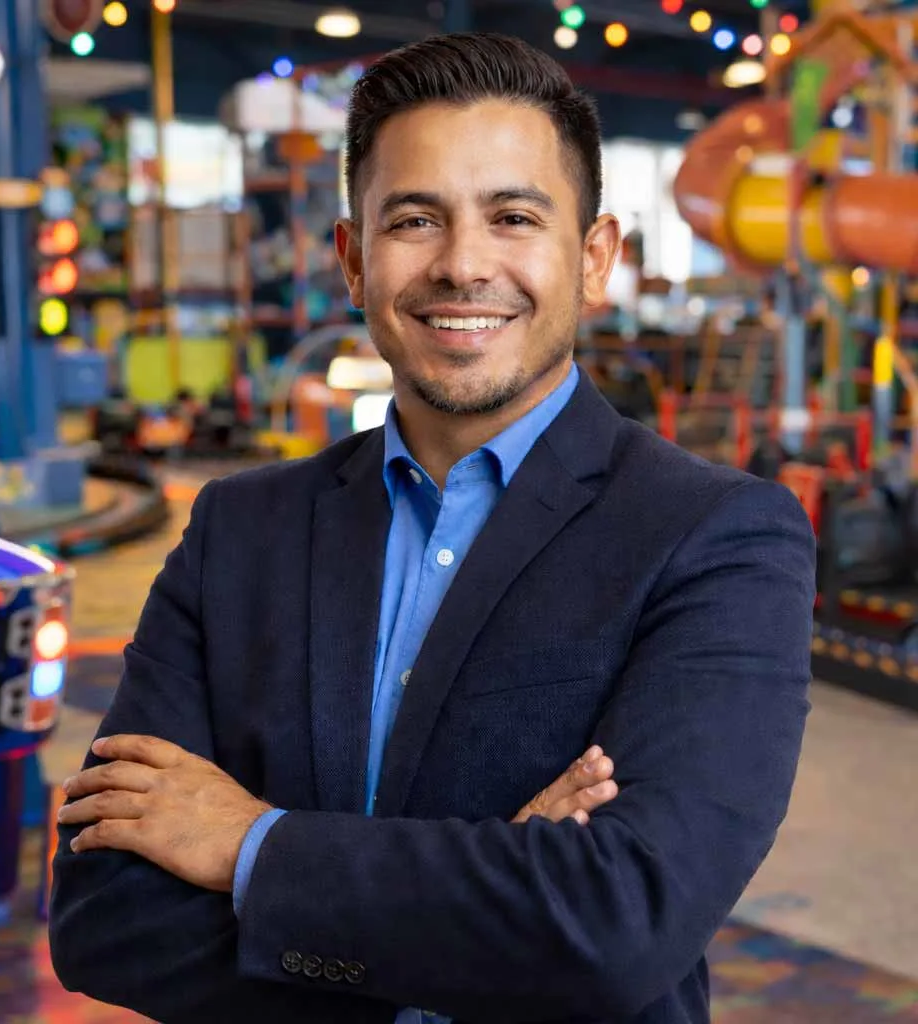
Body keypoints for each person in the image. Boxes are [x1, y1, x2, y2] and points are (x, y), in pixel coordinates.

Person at [50, 32, 816, 1024]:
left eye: (512, 217)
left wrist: (249, 847)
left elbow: (618, 922)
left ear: (593, 259)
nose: (462, 265)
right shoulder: (238, 533)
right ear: (354, 259)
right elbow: (108, 917)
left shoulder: (716, 538)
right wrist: (488, 910)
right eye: (414, 220)